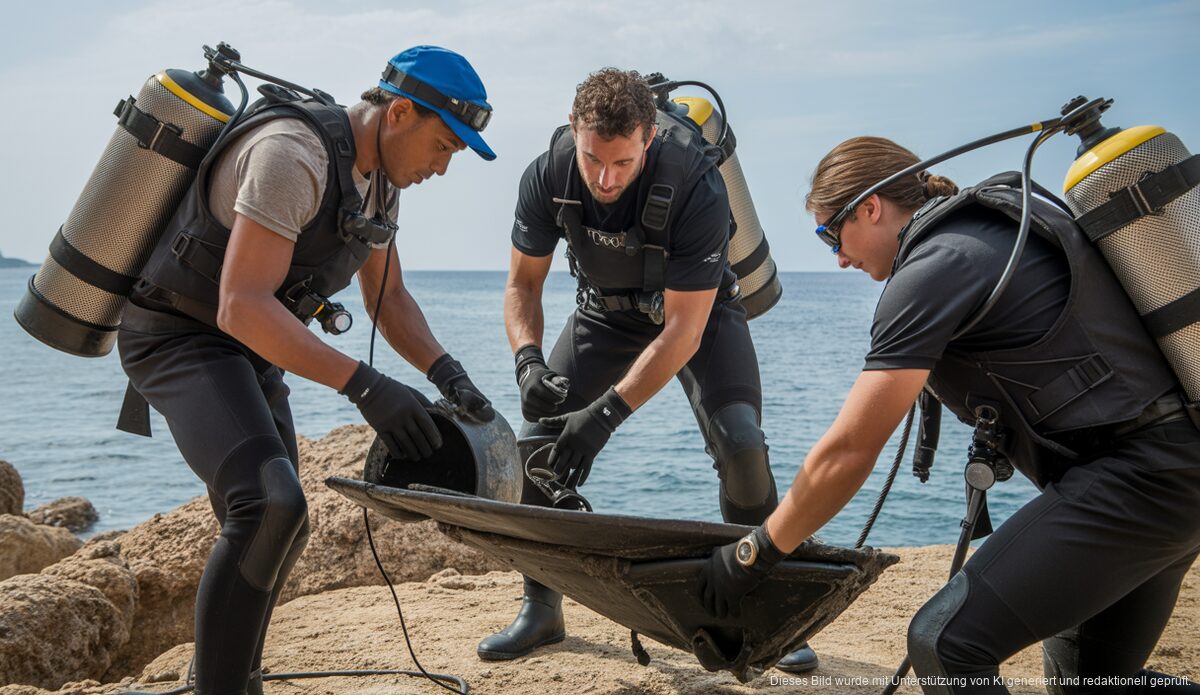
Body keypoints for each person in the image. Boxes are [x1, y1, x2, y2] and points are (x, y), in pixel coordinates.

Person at [697, 136, 1200, 693]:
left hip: (1140, 482)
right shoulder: (988, 234)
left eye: (829, 235)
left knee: (944, 644)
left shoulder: (937, 265)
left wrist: (756, 550)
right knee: (1093, 682)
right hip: (1173, 476)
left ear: (869, 207)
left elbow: (848, 450)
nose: (837, 257)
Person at [117, 46, 496, 695]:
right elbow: (240, 303)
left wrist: (448, 374)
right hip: (179, 335)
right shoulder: (294, 155)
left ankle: (238, 676)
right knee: (268, 503)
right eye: (443, 146)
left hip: (247, 348)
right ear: (400, 112)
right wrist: (365, 384)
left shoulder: (379, 185)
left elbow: (388, 298)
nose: (443, 165)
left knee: (285, 523)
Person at [479, 67, 818, 673]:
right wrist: (527, 359)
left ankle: (768, 607)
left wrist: (604, 416)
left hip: (700, 314)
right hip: (603, 316)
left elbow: (684, 332)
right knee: (536, 445)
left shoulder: (696, 182)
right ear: (574, 133)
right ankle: (542, 607)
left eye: (622, 163)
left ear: (648, 140)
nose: (605, 179)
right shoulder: (549, 173)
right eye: (593, 160)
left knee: (742, 447)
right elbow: (522, 284)